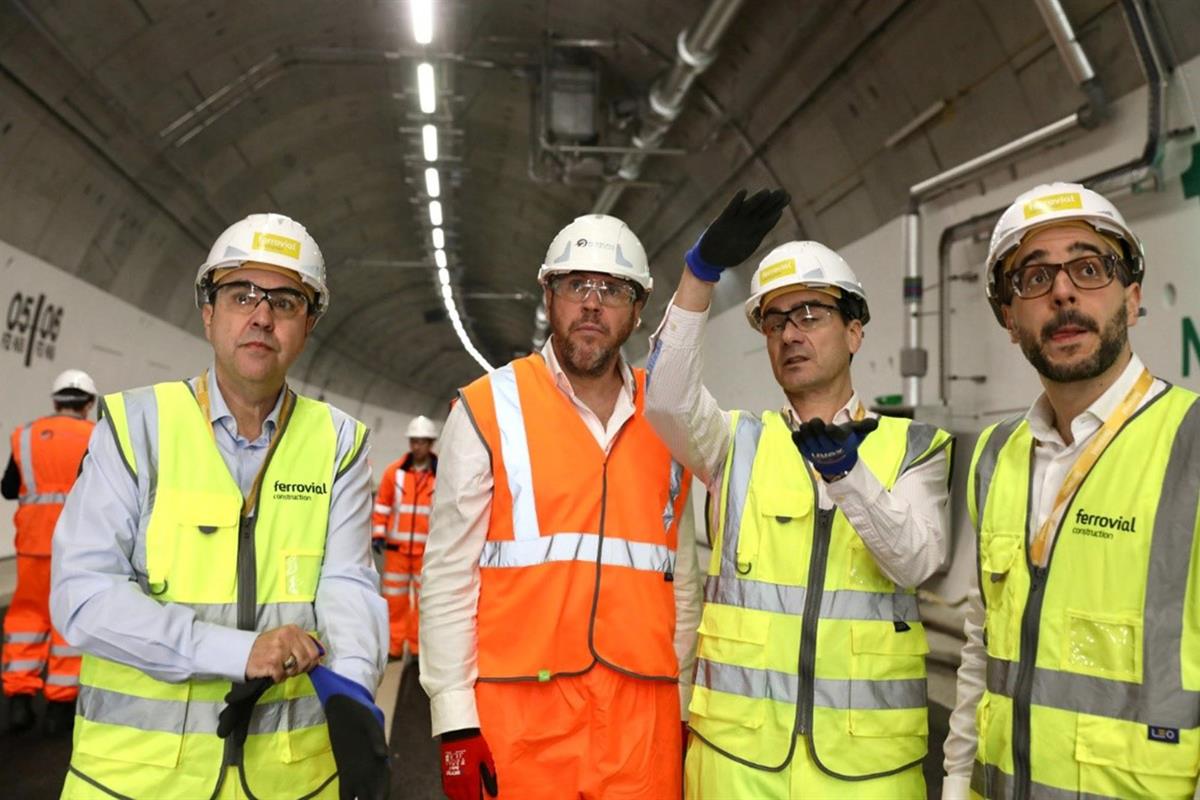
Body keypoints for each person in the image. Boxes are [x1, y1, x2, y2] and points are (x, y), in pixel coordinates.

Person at [50, 213, 390, 799]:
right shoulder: (136, 427)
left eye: (285, 302)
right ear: (209, 312)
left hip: (292, 780)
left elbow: (348, 585)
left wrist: (355, 699)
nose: (261, 316)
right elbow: (83, 595)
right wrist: (240, 652)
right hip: (136, 781)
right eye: (242, 295)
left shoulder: (339, 443)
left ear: (308, 325)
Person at [645, 189, 953, 799]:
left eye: (810, 314)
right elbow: (665, 398)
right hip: (737, 761)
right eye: (775, 320)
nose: (790, 333)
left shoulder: (915, 446)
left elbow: (915, 560)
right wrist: (699, 276)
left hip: (867, 773)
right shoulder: (736, 443)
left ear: (855, 331)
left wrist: (849, 476)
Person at [420, 213, 701, 800]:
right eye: (578, 285)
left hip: (641, 717)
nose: (593, 305)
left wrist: (684, 702)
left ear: (638, 309)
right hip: (521, 718)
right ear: (549, 296)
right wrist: (454, 721)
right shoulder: (486, 407)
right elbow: (449, 574)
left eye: (613, 289)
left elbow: (682, 577)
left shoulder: (669, 414)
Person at [942, 181, 1200, 799]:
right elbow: (983, 646)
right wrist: (956, 784)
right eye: (1033, 278)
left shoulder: (1191, 443)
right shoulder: (996, 456)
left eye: (1088, 268)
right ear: (1009, 318)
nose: (1061, 291)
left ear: (1132, 298)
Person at [2, 369, 96, 734]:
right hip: (77, 547)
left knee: (26, 618)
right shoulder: (96, 436)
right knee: (67, 623)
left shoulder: (25, 436)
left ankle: (19, 702)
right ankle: (60, 708)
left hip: (32, 547)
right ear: (88, 404)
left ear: (56, 401)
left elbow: (9, 488)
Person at [372, 415, 439, 658]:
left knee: (425, 602)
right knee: (394, 601)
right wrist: (378, 533)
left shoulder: (441, 475)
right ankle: (395, 646)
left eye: (422, 441)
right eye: (414, 441)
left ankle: (418, 646)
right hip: (397, 550)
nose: (417, 446)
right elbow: (382, 504)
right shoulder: (394, 473)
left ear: (430, 443)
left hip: (426, 552)